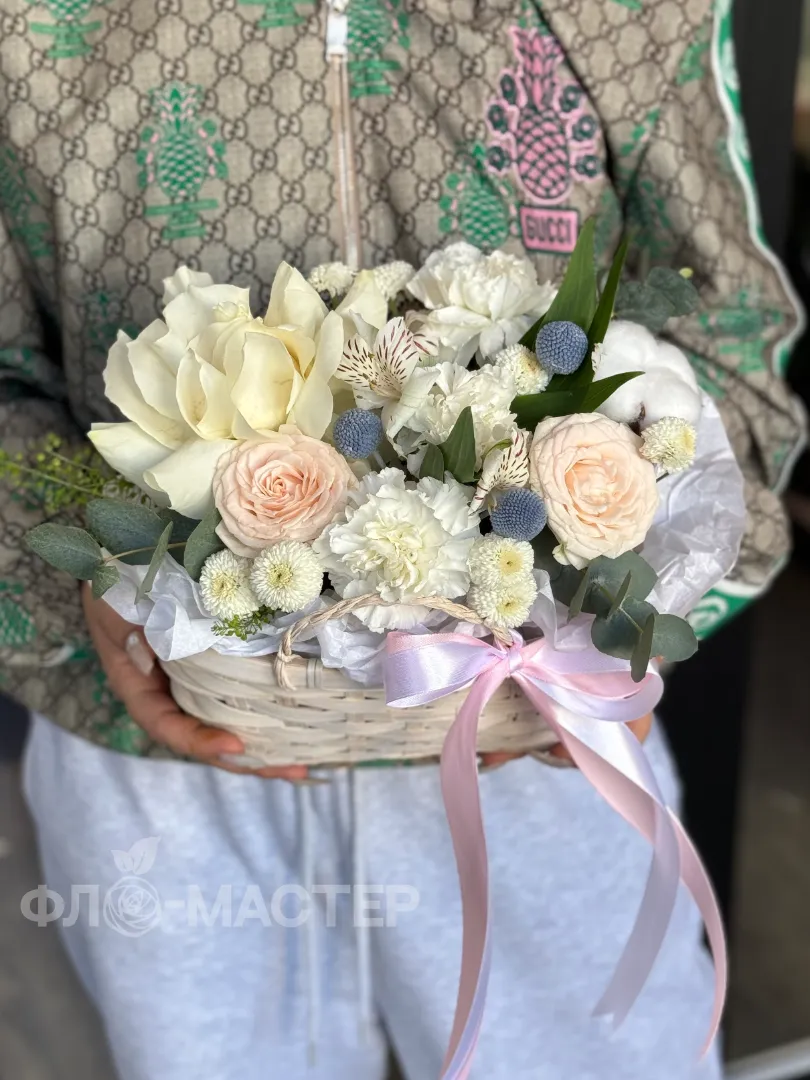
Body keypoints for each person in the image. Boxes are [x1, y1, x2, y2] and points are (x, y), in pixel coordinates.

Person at [0, 1, 804, 1077]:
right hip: (170, 745)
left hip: (539, 747)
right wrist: (82, 576)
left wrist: (625, 612)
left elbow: (734, 354)